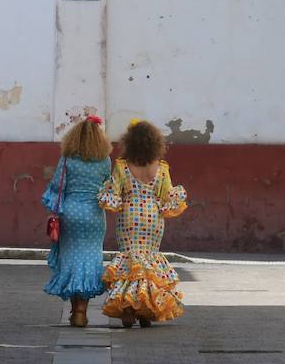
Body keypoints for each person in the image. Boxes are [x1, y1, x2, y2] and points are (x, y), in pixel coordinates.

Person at [98, 120, 188, 328]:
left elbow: (114, 193)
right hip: (153, 218)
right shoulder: (161, 168)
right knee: (149, 260)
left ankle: (129, 307)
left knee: (131, 260)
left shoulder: (122, 166)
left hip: (129, 216)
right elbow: (166, 196)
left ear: (129, 142)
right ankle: (146, 309)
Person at [42, 115, 112, 327]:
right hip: (94, 214)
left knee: (71, 257)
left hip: (70, 211)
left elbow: (57, 186)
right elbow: (107, 186)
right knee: (91, 258)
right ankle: (82, 309)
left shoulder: (67, 159)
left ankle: (75, 311)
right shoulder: (105, 161)